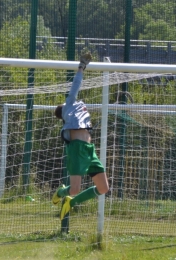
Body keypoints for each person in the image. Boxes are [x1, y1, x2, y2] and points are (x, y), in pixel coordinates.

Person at [52, 52, 109, 220]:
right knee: (74, 188)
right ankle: (61, 192)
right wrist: (82, 67)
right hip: (77, 149)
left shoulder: (78, 108)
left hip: (88, 150)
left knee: (104, 188)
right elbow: (76, 84)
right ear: (64, 109)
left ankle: (71, 202)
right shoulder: (70, 104)